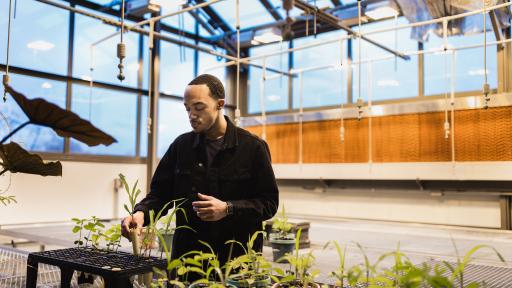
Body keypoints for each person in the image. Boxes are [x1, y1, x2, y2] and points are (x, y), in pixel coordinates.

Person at [121, 74, 279, 268]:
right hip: (188, 259)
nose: (192, 115)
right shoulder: (181, 146)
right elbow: (160, 194)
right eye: (187, 108)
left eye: (199, 107)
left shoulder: (252, 147)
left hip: (236, 260)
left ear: (220, 104)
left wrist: (228, 208)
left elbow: (269, 202)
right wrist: (141, 214)